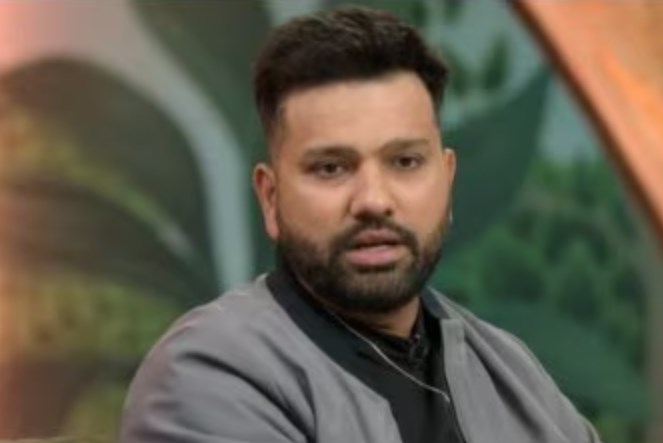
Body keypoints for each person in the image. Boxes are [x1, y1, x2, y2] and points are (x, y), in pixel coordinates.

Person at [120, 6, 600, 443]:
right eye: (331, 167)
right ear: (270, 198)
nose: (374, 200)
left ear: (447, 180)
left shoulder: (510, 372)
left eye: (406, 161)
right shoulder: (211, 374)